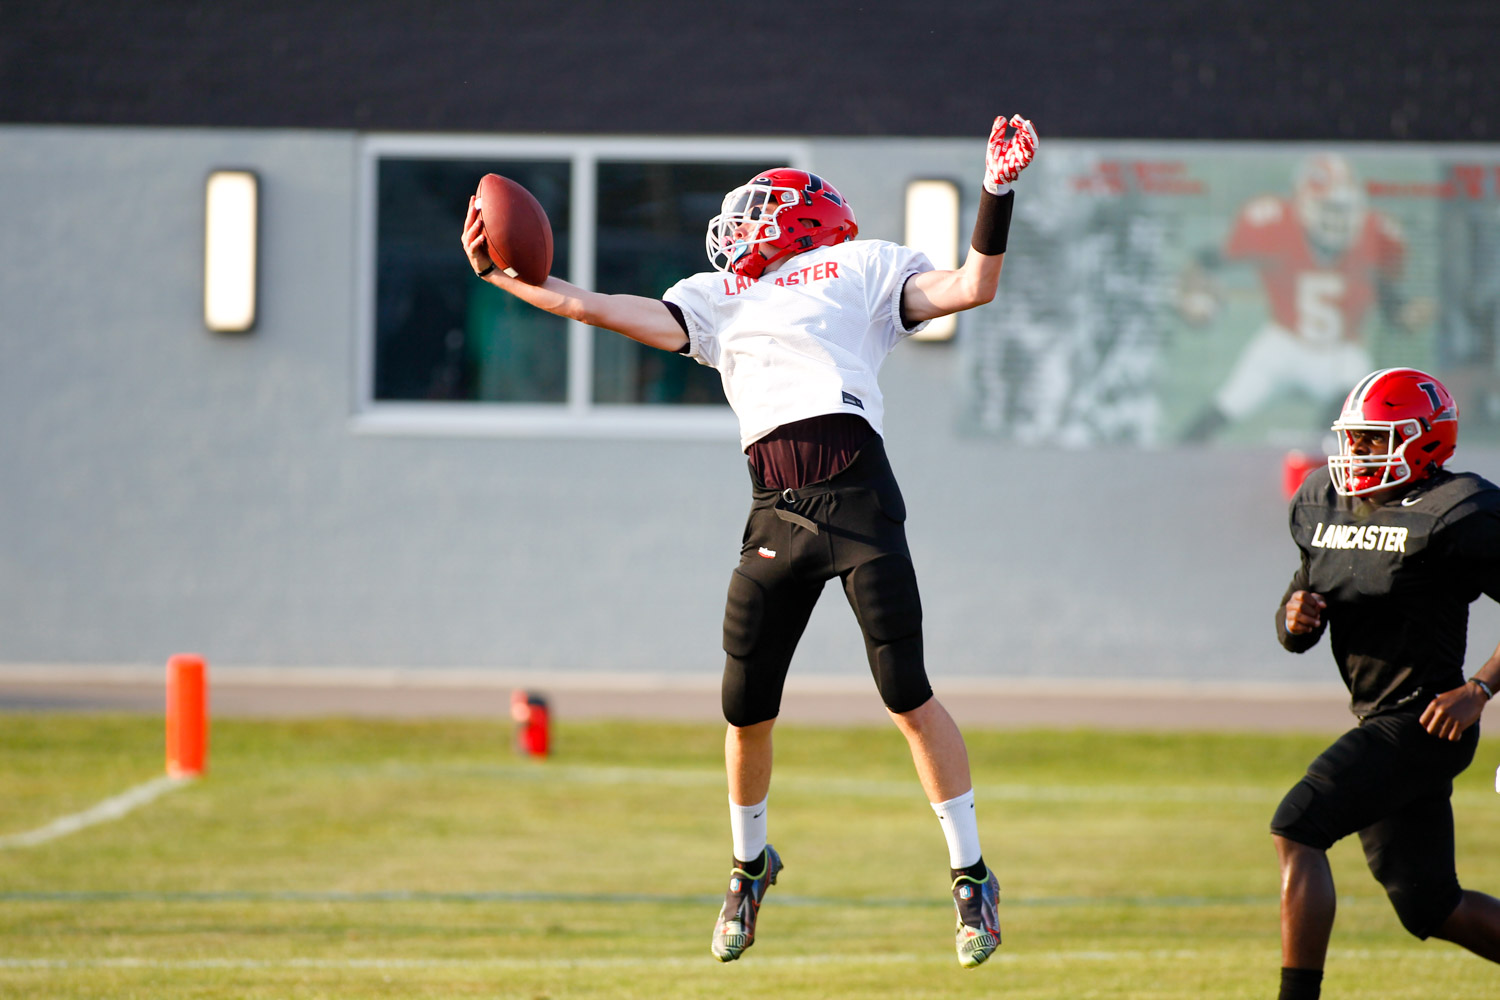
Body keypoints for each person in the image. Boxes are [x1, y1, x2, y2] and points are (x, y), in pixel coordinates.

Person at [461, 114, 1038, 968]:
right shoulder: (715, 296)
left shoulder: (858, 266)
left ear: (803, 216)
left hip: (857, 496)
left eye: (760, 207)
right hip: (775, 509)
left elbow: (972, 287)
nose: (740, 222)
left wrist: (996, 190)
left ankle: (970, 877)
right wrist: (511, 282)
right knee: (745, 708)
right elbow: (599, 308)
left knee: (906, 692)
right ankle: (747, 866)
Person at [1272, 366, 1500, 1000]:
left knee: (1298, 824)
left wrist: (1479, 688)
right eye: (1356, 438)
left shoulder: (1459, 511)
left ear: (1424, 439)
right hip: (1377, 718)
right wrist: (1295, 619)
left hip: (1428, 719)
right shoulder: (1324, 502)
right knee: (1432, 906)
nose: (1359, 452)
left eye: (1375, 439)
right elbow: (1298, 615)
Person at [1179, 154, 1433, 443]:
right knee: (1230, 401)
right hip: (1284, 341)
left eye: (1344, 209)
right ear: (1303, 205)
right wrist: (1194, 289)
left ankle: (1320, 456)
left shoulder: (1375, 235)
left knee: (1358, 391)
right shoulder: (1274, 224)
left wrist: (1406, 315)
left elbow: (1389, 302)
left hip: (1341, 350)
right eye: (1328, 208)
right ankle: (1175, 459)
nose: (1337, 218)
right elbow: (1212, 259)